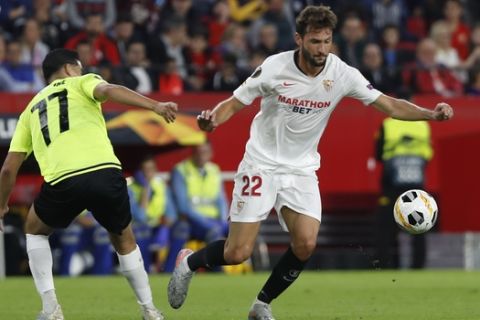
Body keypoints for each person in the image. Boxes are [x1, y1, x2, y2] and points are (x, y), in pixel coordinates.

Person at [166, 5, 454, 320]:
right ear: (299, 39)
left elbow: (389, 104)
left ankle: (261, 305)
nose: (321, 49)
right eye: (315, 42)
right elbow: (234, 102)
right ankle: (189, 262)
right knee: (238, 253)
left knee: (305, 243)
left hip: (301, 169)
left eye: (327, 41)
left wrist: (430, 114)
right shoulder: (274, 67)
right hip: (261, 163)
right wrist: (211, 121)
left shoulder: (342, 73)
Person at [0, 48, 177, 320]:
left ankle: (51, 309)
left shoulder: (29, 110)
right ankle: (150, 310)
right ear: (71, 68)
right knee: (124, 238)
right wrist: (155, 105)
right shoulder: (82, 81)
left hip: (63, 179)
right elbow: (109, 89)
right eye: (79, 68)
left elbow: (8, 169)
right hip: (105, 172)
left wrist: (1, 206)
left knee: (34, 229)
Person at [373, 117, 433, 269]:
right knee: (420, 225)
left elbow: (378, 154)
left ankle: (386, 266)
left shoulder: (388, 124)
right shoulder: (423, 125)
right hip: (416, 186)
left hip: (391, 185)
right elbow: (428, 154)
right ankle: (418, 267)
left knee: (386, 228)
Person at [164, 141, 229, 272]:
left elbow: (221, 200)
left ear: (211, 154)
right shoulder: (181, 170)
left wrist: (223, 221)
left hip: (213, 220)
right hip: (190, 220)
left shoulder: (214, 170)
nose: (201, 156)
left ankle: (252, 269)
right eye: (198, 152)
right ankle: (217, 275)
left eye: (204, 152)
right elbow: (183, 207)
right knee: (212, 232)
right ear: (192, 153)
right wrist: (209, 224)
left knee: (240, 231)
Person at [128, 155, 177, 273]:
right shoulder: (130, 189)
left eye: (151, 169)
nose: (147, 173)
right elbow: (140, 216)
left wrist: (167, 223)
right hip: (137, 228)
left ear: (155, 171)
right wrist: (146, 188)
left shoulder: (161, 186)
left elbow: (172, 214)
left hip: (157, 226)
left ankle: (168, 270)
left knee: (178, 230)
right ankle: (145, 270)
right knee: (142, 231)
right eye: (144, 170)